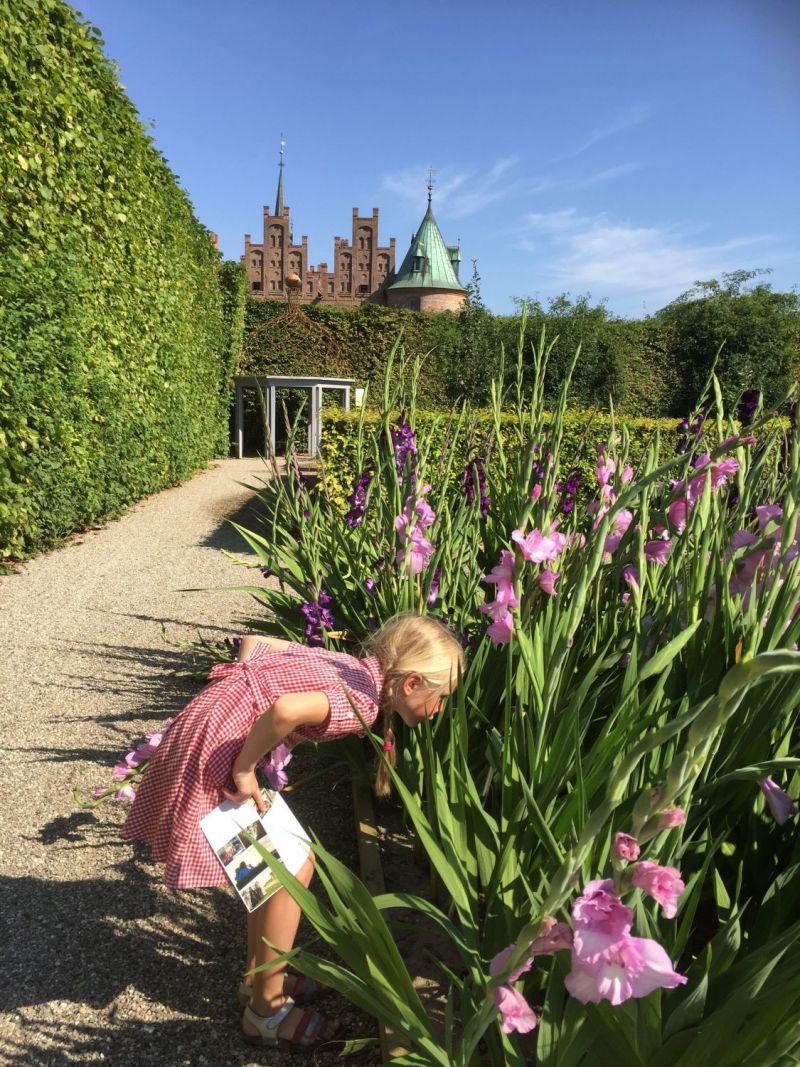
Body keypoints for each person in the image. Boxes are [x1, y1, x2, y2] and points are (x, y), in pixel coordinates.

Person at [123, 613, 465, 1051]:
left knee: (274, 870)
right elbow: (285, 710)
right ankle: (265, 1011)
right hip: (221, 756)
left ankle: (261, 976)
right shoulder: (357, 701)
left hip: (210, 729)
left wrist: (239, 702)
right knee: (291, 870)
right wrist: (245, 764)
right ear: (412, 683)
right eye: (440, 699)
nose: (438, 712)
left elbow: (254, 643)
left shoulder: (345, 664)